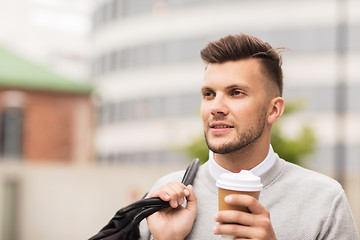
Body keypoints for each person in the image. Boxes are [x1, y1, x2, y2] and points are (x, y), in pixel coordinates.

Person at [139, 33, 359, 240]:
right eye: (209, 94)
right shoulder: (164, 196)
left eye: (236, 93)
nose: (216, 107)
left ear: (274, 110)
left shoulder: (325, 200)